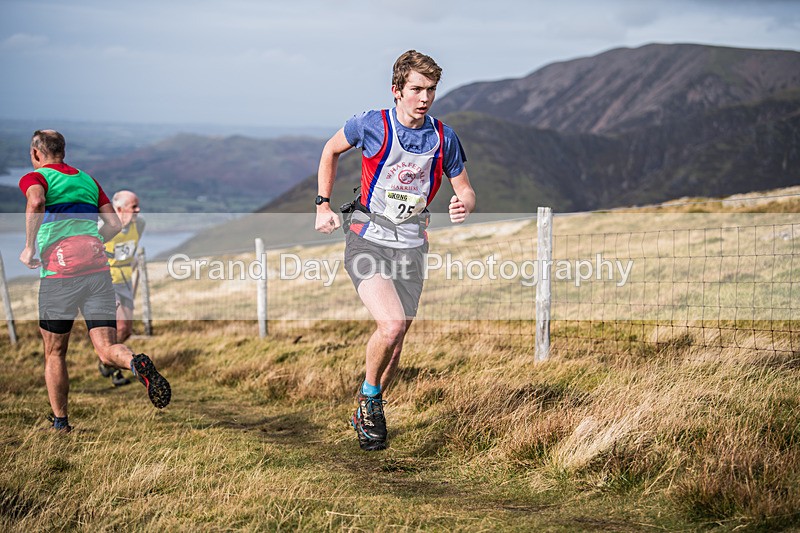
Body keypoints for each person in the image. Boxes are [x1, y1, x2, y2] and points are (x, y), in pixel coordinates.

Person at [314, 50, 476, 451]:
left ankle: (368, 406)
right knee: (391, 326)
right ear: (397, 90)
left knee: (397, 341)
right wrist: (322, 204)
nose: (425, 97)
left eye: (431, 89)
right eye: (417, 89)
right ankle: (370, 399)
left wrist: (464, 204)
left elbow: (465, 188)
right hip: (367, 237)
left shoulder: (444, 137)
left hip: (412, 246)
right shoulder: (371, 124)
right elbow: (330, 150)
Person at [19, 130, 170, 432]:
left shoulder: (37, 178)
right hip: (98, 271)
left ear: (36, 154)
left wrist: (29, 246)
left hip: (60, 275)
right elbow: (113, 224)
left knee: (54, 352)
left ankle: (61, 422)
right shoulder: (88, 180)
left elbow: (35, 202)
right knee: (106, 349)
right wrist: (92, 243)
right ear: (63, 150)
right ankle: (135, 362)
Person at [97, 190, 145, 387]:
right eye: (133, 207)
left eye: (137, 205)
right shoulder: (102, 228)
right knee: (121, 325)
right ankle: (113, 366)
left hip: (125, 280)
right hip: (106, 280)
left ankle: (107, 361)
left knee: (126, 330)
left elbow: (131, 251)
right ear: (118, 209)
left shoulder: (140, 225)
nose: (138, 210)